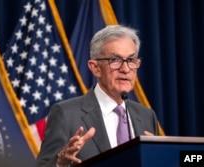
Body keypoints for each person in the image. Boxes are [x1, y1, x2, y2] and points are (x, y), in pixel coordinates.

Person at [36, 25, 159, 167]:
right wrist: (60, 162)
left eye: (131, 61)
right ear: (95, 68)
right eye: (115, 60)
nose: (125, 69)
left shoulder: (146, 116)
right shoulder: (66, 113)